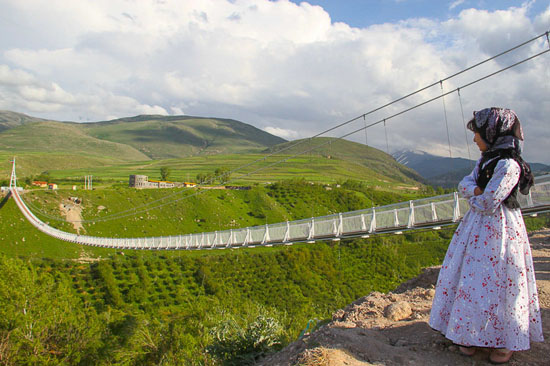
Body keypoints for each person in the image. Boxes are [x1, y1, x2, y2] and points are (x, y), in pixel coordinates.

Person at [429, 107, 543, 364]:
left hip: (501, 230)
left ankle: (503, 340)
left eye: (478, 133)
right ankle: (469, 334)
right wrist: (477, 191)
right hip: (478, 229)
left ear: (493, 133)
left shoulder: (509, 165)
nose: (474, 139)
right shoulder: (486, 161)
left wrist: (477, 192)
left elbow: (488, 201)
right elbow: (464, 185)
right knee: (473, 281)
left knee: (501, 280)